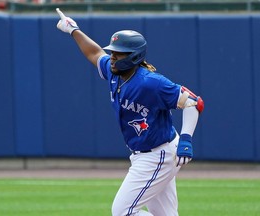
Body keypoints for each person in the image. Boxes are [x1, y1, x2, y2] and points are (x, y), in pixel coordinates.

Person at [56, 8, 204, 216]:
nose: (113, 57)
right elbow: (95, 53)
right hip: (149, 152)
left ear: (133, 56)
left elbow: (193, 102)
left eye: (118, 53)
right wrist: (74, 30)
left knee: (123, 212)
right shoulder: (115, 73)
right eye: (113, 52)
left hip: (158, 154)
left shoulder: (151, 83)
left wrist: (187, 138)